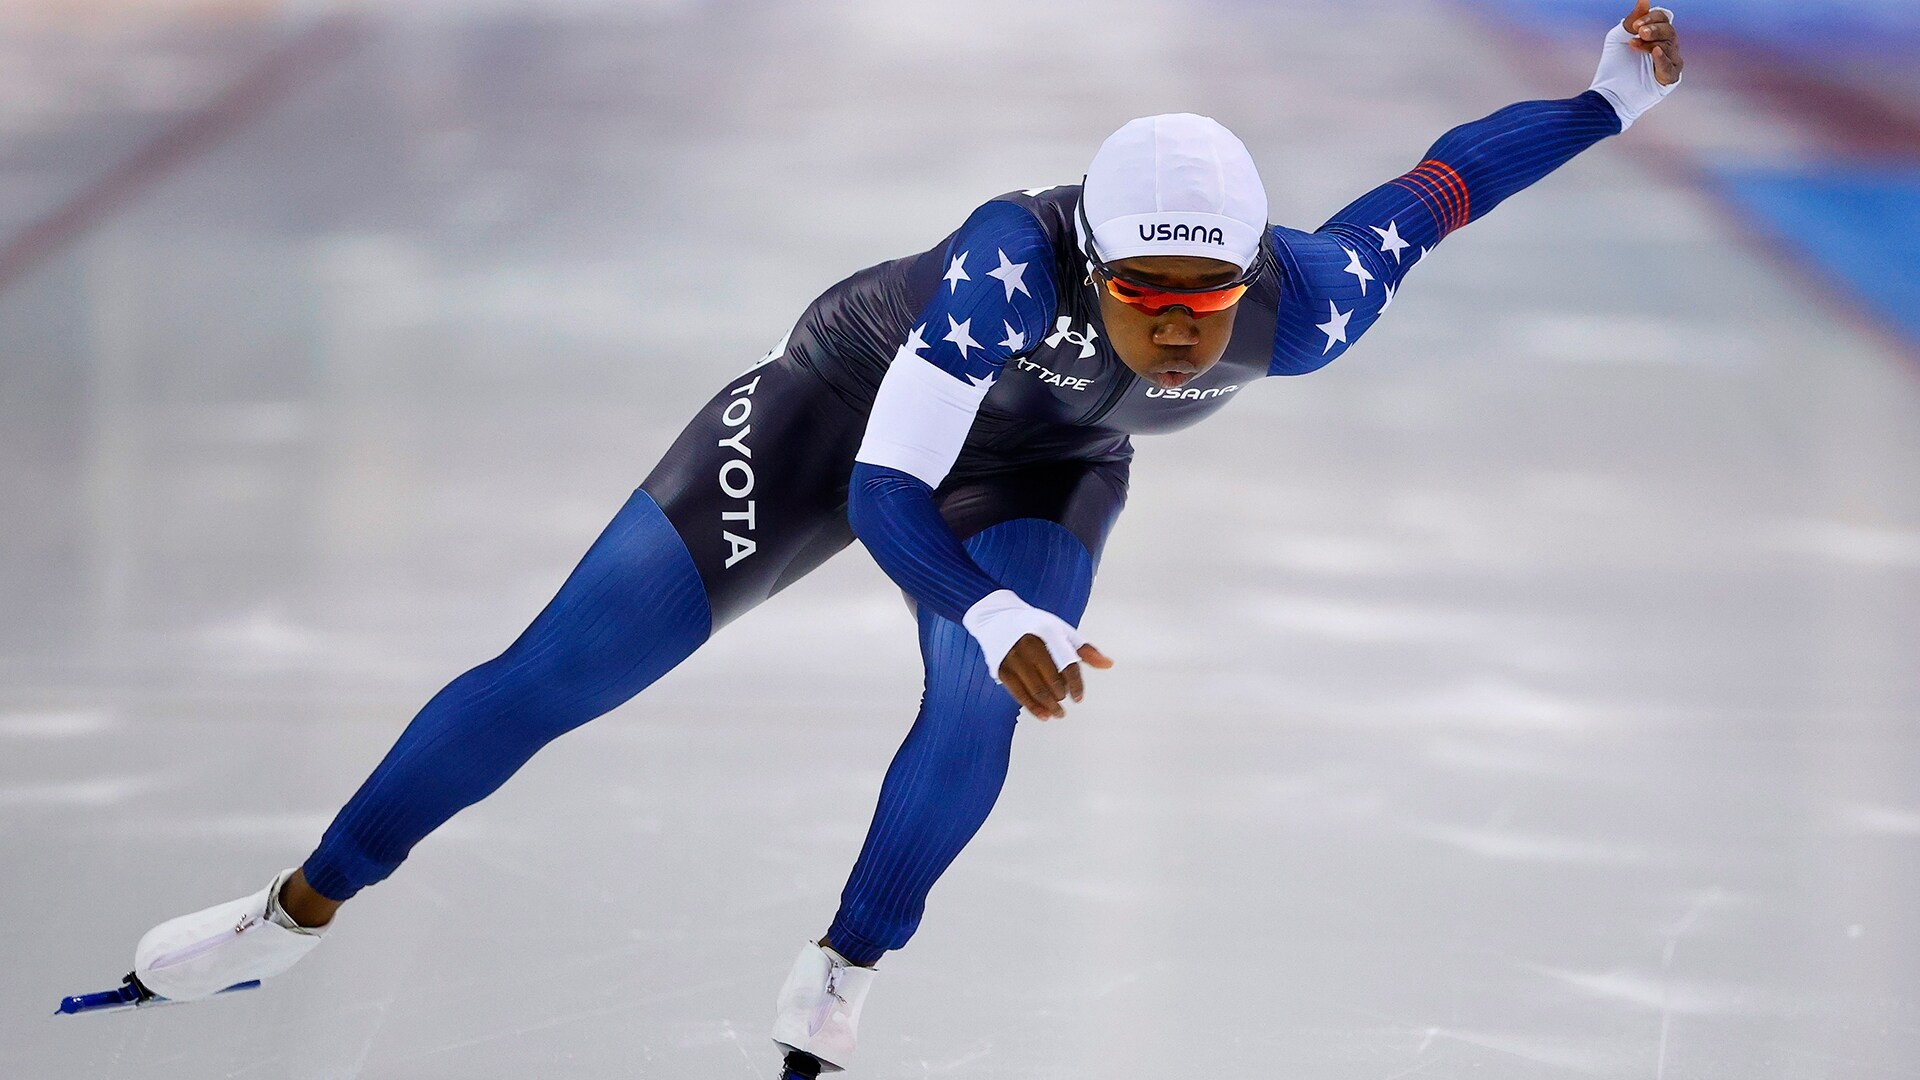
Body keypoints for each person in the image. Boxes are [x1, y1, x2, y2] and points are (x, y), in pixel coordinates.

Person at [111, 6, 1683, 1077]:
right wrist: (996, 613)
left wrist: (1603, 100)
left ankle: (846, 967)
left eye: (1210, 307)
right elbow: (881, 500)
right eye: (1151, 302)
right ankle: (296, 911)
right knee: (562, 675)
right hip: (837, 419)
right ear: (1096, 262)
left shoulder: (1312, 304)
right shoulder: (1010, 266)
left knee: (980, 699)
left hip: (1049, 468)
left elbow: (1448, 180)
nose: (1185, 338)